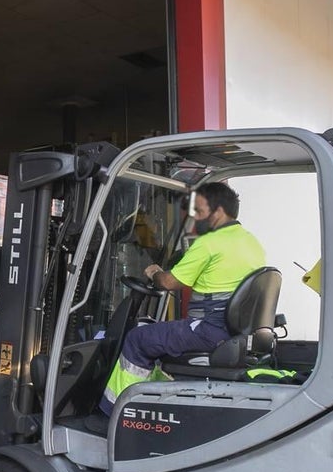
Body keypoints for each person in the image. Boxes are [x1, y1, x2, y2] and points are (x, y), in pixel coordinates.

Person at [92, 182, 266, 427]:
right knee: (158, 337)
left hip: (207, 331)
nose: (195, 216)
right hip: (233, 333)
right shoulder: (252, 243)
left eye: (200, 210)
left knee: (137, 339)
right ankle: (149, 403)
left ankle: (115, 416)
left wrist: (154, 272)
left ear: (218, 212)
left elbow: (169, 282)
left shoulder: (209, 243)